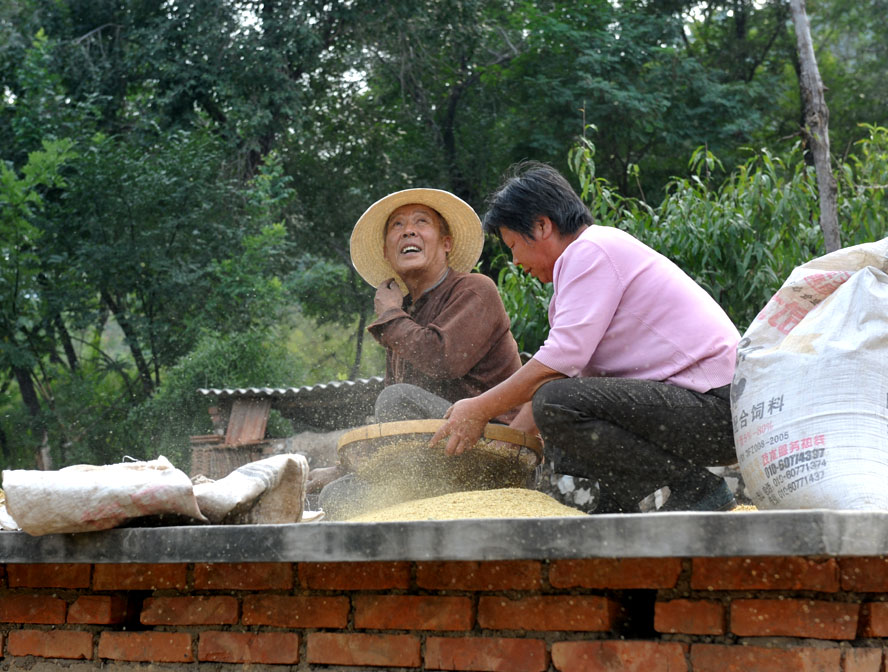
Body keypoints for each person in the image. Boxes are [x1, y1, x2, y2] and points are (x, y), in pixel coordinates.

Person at [431, 162, 741, 513]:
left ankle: (697, 488)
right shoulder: (583, 267)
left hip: (717, 409)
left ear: (542, 226)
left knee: (556, 403)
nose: (515, 261)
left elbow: (558, 365)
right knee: (561, 407)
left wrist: (479, 408)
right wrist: (511, 449)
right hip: (696, 410)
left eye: (514, 245)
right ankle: (617, 504)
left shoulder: (591, 251)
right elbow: (573, 376)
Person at [312, 188, 523, 517]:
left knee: (395, 400)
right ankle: (419, 498)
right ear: (386, 252)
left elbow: (442, 362)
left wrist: (390, 317)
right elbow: (396, 432)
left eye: (421, 222)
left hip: (489, 447)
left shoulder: (475, 289)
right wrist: (347, 468)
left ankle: (418, 496)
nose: (408, 230)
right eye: (397, 225)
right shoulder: (402, 315)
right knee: (336, 496)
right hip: (434, 460)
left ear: (446, 243)